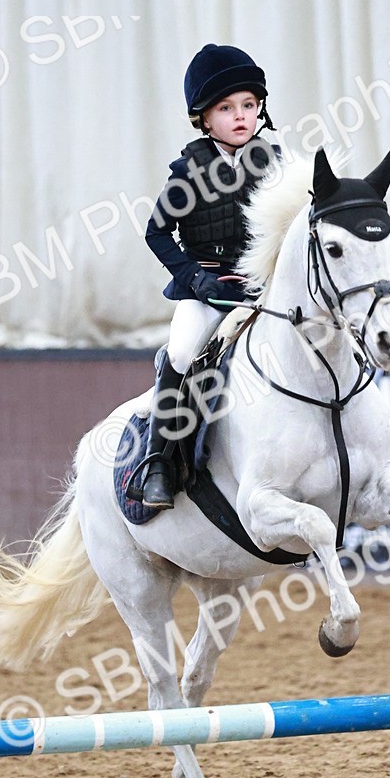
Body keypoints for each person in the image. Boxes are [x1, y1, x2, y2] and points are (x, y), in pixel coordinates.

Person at [134, 43, 277, 510]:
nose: (241, 117)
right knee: (181, 351)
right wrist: (195, 280)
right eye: (227, 108)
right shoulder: (188, 172)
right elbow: (157, 232)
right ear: (203, 117)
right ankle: (158, 460)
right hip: (207, 292)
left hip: (260, 289)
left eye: (249, 106)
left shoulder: (274, 164)